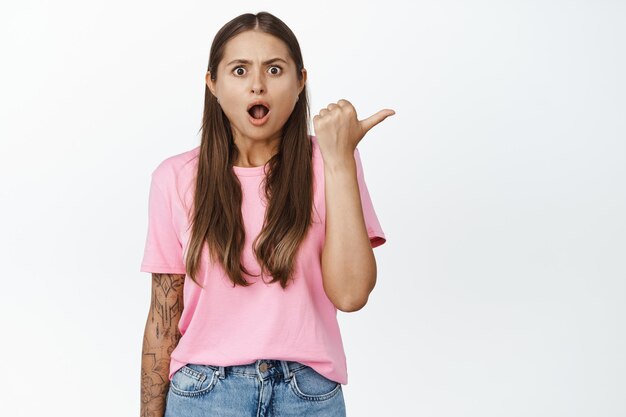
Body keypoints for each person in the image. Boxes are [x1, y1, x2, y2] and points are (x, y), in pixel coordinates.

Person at [139, 11, 395, 417]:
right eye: (239, 70)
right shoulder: (175, 177)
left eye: (274, 69)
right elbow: (162, 316)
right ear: (213, 84)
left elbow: (351, 294)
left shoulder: (330, 162)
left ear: (300, 82)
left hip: (308, 395)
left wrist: (340, 161)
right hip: (205, 395)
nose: (257, 84)